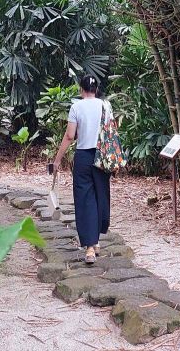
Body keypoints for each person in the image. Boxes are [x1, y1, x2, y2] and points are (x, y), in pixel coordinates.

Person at [52, 74, 111, 264]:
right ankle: (96, 240)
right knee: (101, 194)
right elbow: (110, 132)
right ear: (96, 89)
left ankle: (90, 248)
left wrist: (57, 159)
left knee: (85, 199)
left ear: (81, 89)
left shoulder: (76, 107)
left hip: (84, 157)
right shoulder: (106, 105)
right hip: (102, 156)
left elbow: (70, 136)